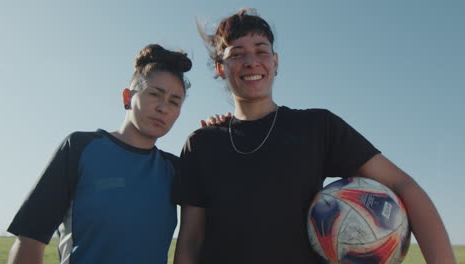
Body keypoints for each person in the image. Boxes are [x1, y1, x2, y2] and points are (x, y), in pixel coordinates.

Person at [172, 9, 457, 264]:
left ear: (276, 61)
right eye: (236, 54)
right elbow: (191, 239)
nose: (251, 61)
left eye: (261, 50)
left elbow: (403, 184)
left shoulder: (317, 126)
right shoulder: (201, 144)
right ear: (221, 69)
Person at [7, 44, 192, 264]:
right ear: (127, 98)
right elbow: (30, 241)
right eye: (154, 94)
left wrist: (222, 128)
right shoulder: (79, 148)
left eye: (174, 102)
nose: (164, 107)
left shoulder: (175, 169)